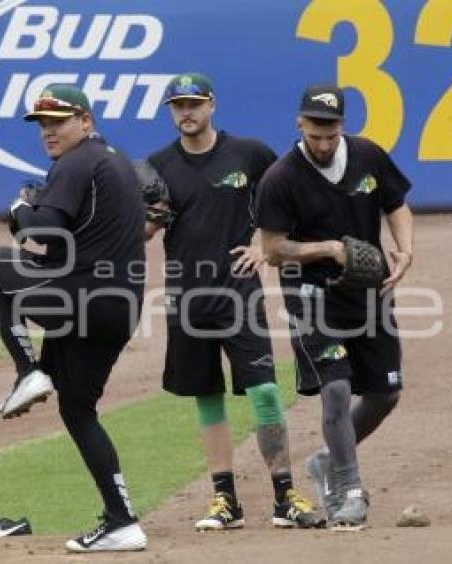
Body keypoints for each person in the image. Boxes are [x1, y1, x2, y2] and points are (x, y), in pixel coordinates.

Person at [144, 73, 323, 532]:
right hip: (187, 296)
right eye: (178, 105)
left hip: (240, 294)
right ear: (170, 111)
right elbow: (144, 230)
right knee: (206, 396)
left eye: (194, 104)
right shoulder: (157, 165)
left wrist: (263, 246)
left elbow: (288, 198)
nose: (186, 112)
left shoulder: (249, 154)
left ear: (212, 105)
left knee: (263, 390)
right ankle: (225, 500)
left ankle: (285, 495)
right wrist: (146, 218)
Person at [0, 85, 147, 552]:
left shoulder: (78, 161)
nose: (49, 131)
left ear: (86, 121)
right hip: (119, 307)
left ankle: (28, 372)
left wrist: (20, 209)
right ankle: (122, 521)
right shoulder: (114, 161)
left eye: (59, 120)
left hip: (86, 295)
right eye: (42, 123)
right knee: (77, 409)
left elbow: (40, 230)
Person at [248, 83, 414, 530]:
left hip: (368, 293)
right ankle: (349, 492)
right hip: (311, 297)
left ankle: (326, 461)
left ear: (343, 126)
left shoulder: (368, 156)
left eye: (331, 132)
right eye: (315, 132)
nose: (323, 143)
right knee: (337, 388)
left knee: (385, 393)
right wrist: (328, 249)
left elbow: (396, 204)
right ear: (299, 124)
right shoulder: (281, 178)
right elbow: (272, 248)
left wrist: (405, 249)